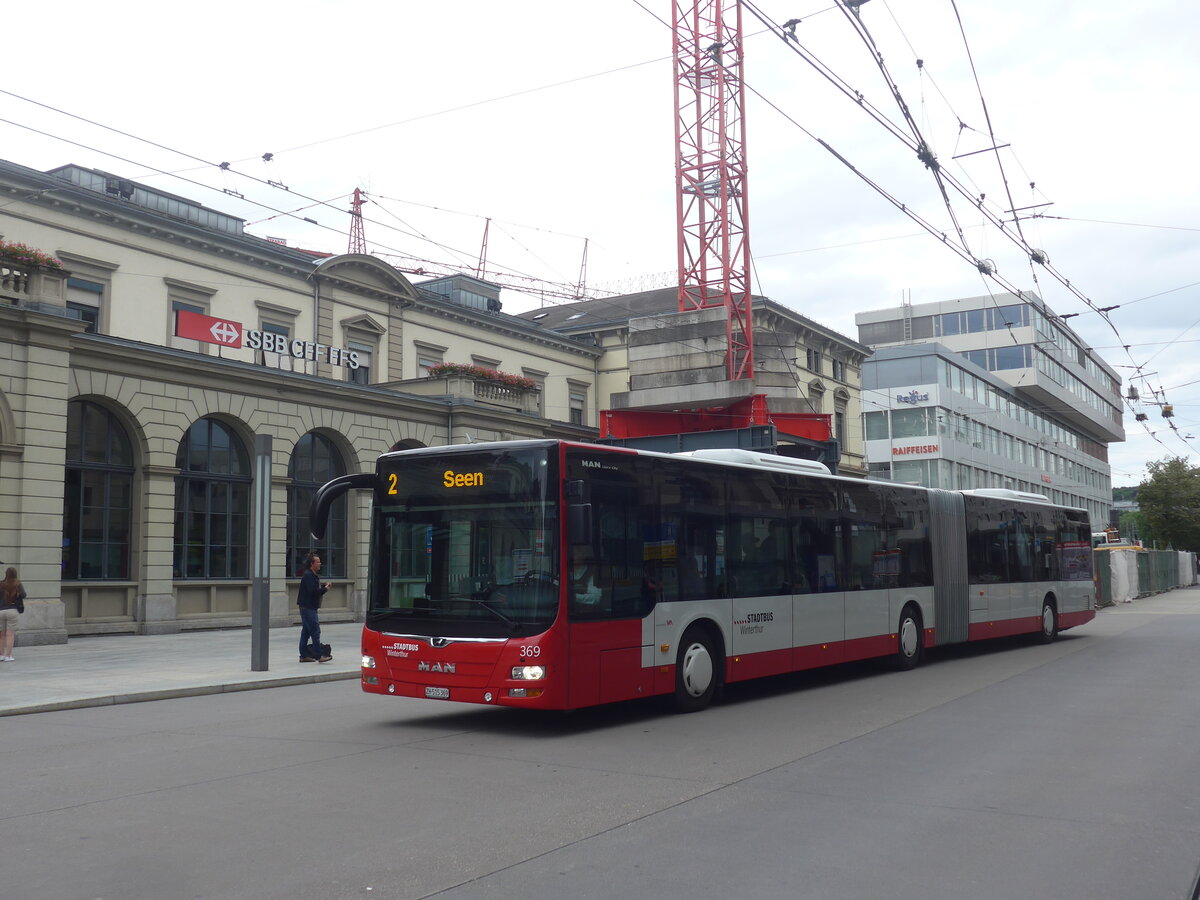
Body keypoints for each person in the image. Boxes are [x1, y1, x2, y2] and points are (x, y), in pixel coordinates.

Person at [297, 552, 331, 663]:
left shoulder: (312, 575)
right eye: (318, 562)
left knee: (306, 632)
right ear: (312, 564)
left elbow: (313, 588)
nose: (320, 563)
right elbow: (313, 592)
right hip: (308, 608)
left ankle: (303, 656)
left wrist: (323, 587)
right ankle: (319, 655)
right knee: (315, 631)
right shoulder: (308, 575)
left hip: (308, 607)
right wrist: (325, 589)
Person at [1, 566, 27, 662]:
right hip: (12, 610)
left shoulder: (1, 583)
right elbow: (24, 595)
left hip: (1, 611)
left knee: (2, 634)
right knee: (10, 634)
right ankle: (8, 656)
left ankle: (1, 655)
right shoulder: (17, 583)